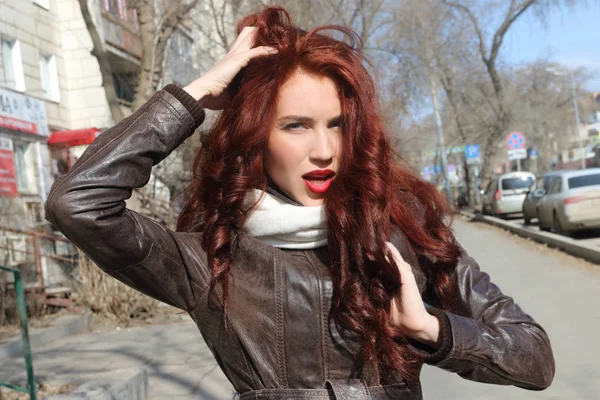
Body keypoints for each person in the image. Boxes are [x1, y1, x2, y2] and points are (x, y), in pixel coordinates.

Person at [44, 7, 554, 399]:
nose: (325, 151)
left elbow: (533, 357)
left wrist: (430, 328)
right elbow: (78, 201)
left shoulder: (403, 229)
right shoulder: (209, 257)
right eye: (296, 126)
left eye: (336, 125)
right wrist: (196, 94)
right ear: (256, 138)